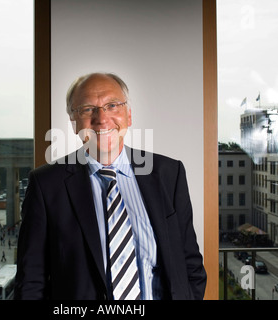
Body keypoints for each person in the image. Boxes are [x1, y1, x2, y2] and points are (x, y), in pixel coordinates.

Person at [14, 72, 206, 300]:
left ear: (129, 115)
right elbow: (30, 282)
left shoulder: (168, 174)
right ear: (74, 123)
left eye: (112, 105)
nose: (101, 119)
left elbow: (190, 265)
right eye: (87, 109)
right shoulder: (46, 185)